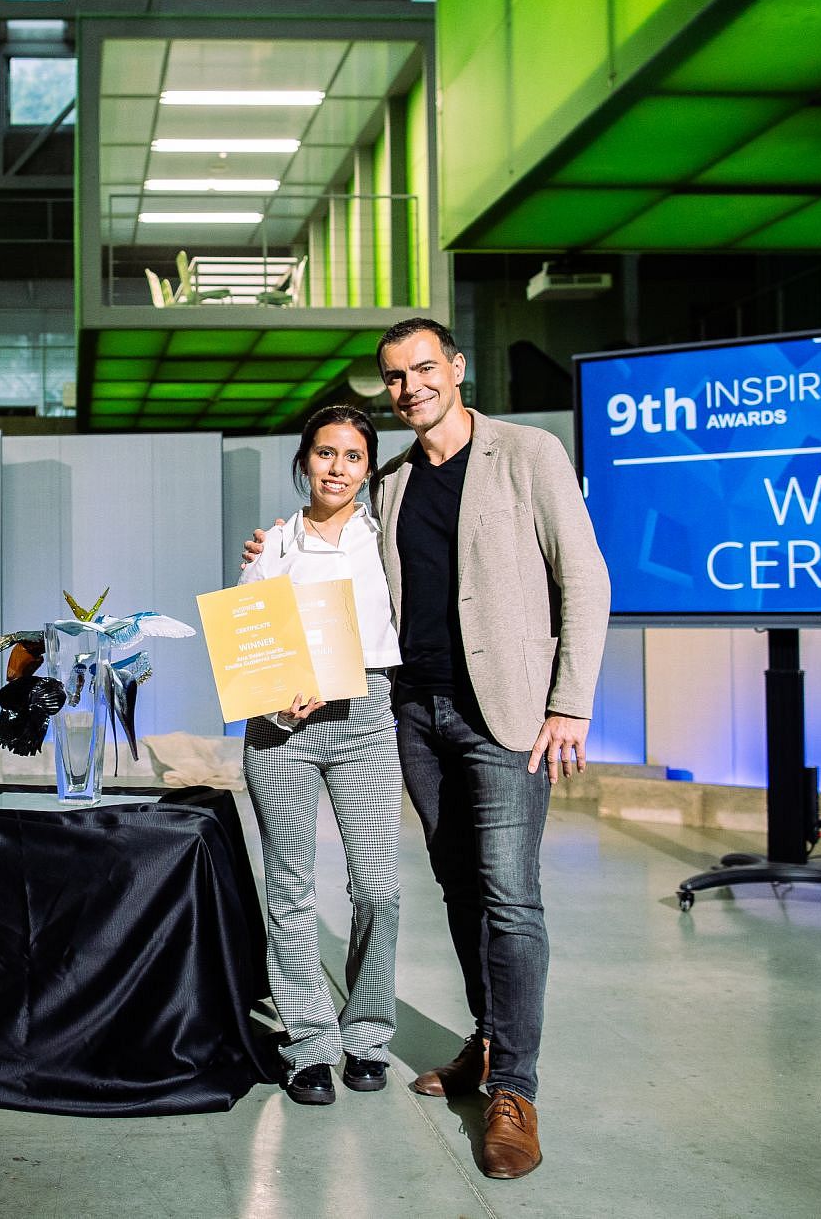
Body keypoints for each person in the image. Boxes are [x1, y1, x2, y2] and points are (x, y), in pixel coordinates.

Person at [245, 317, 609, 1179]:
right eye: (395, 376)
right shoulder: (393, 483)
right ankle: (486, 1042)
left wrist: (570, 702)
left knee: (510, 896)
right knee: (458, 888)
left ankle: (514, 1089)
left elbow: (585, 577)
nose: (411, 386)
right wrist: (269, 554)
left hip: (506, 715)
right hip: (414, 714)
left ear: (456, 367)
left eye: (423, 368)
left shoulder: (528, 454)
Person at [238, 405, 403, 1108]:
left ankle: (367, 1030)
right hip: (282, 728)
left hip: (365, 716)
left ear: (369, 468)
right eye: (325, 453)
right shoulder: (273, 545)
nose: (337, 468)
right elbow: (250, 643)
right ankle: (308, 1041)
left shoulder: (386, 538)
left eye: (353, 456)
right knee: (291, 885)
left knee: (378, 886)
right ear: (304, 460)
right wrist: (278, 699)